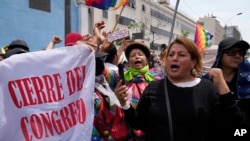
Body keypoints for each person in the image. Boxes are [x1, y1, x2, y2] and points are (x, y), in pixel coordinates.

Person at [115, 37, 243, 141]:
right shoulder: (154, 88)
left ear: (193, 62)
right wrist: (125, 104)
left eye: (181, 55)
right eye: (171, 55)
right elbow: (139, 124)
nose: (174, 58)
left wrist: (222, 86)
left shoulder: (207, 88)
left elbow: (234, 125)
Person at [203, 37, 250, 139]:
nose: (237, 56)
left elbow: (244, 123)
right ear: (220, 55)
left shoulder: (247, 84)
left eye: (241, 52)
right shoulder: (205, 83)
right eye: (231, 52)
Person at [114, 42, 161, 140]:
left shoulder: (157, 79)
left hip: (151, 130)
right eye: (133, 55)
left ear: (147, 59)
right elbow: (104, 68)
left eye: (140, 54)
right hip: (128, 128)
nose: (137, 57)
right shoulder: (121, 77)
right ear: (128, 60)